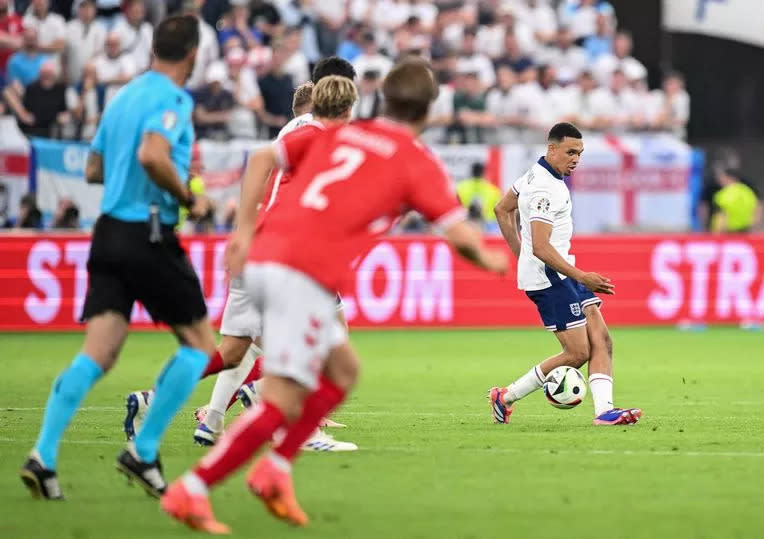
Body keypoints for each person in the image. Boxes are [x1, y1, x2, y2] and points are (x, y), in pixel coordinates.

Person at [160, 59, 508, 533]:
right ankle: (195, 489)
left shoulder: (339, 132)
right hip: (298, 272)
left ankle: (273, 469)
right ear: (429, 109)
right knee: (283, 397)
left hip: (268, 256)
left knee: (342, 369)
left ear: (382, 99)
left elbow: (263, 158)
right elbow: (461, 236)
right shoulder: (412, 157)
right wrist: (494, 261)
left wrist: (241, 233)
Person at [19, 14, 217, 501]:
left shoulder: (123, 96)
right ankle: (143, 450)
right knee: (199, 345)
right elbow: (153, 155)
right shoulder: (172, 99)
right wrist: (189, 199)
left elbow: (93, 168)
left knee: (99, 352)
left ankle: (43, 457)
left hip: (107, 232)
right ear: (191, 54)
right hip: (147, 233)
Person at [123, 58, 360, 455]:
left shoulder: (296, 130)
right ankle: (279, 410)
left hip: (259, 247)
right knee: (320, 342)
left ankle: (153, 401)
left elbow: (271, 174)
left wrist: (245, 232)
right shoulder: (318, 133)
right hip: (285, 251)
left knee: (235, 349)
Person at [489, 122, 642, 427]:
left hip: (562, 271)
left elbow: (502, 208)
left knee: (602, 338)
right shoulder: (544, 188)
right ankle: (504, 397)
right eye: (571, 152)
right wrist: (581, 276)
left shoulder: (537, 174)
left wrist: (521, 254)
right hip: (550, 279)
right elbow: (542, 247)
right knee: (577, 353)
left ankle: (605, 412)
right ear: (552, 149)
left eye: (580, 153)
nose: (576, 159)